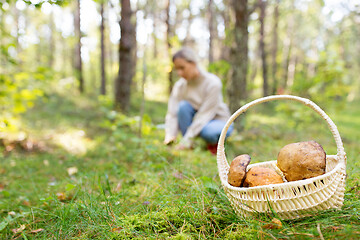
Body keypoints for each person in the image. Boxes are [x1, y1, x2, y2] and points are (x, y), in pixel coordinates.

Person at [163, 47, 233, 155]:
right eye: (177, 69)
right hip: (198, 120)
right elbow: (172, 113)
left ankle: (214, 145)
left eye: (182, 67)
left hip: (218, 120)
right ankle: (189, 145)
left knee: (208, 132)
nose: (180, 73)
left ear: (193, 63)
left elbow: (204, 115)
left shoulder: (213, 83)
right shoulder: (180, 86)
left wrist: (187, 139)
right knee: (182, 107)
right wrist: (170, 135)